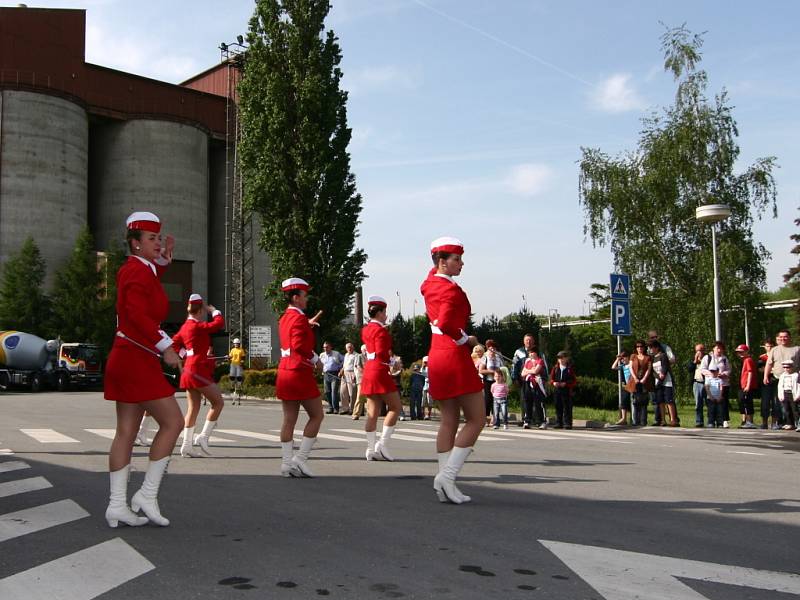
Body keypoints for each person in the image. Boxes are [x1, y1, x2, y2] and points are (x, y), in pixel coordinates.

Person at [103, 211, 183, 528]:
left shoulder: (139, 269)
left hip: (129, 355)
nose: (158, 243)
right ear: (135, 243)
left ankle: (116, 506)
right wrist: (166, 347)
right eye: (152, 239)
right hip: (136, 358)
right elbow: (137, 315)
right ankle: (146, 496)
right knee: (173, 422)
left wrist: (163, 261)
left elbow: (145, 290)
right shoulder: (136, 272)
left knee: (126, 432)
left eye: (159, 238)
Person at [420, 236, 484, 504]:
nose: (462, 263)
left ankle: (444, 484)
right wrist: (464, 340)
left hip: (437, 355)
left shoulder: (430, 284)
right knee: (477, 419)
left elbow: (438, 319)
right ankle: (447, 477)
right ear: (442, 262)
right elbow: (446, 321)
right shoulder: (449, 290)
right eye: (456, 259)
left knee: (448, 420)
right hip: (454, 355)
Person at [276, 278, 324, 477]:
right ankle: (300, 459)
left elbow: (294, 338)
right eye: (304, 296)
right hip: (298, 372)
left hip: (285, 371)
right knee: (317, 415)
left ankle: (287, 464)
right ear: (296, 298)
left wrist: (307, 325)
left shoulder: (286, 317)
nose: (307, 299)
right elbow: (299, 346)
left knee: (289, 420)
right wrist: (316, 359)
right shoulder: (299, 318)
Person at [172, 294, 225, 457]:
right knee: (218, 403)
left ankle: (187, 445)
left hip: (189, 369)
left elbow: (173, 343)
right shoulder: (196, 325)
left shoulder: (185, 326)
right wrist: (215, 311)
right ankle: (203, 437)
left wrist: (186, 354)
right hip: (197, 370)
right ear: (201, 310)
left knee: (193, 408)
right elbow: (218, 325)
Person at [361, 295, 403, 461]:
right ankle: (382, 445)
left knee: (372, 412)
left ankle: (371, 449)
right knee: (395, 407)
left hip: (369, 370)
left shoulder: (365, 329)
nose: (386, 315)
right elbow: (381, 353)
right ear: (379, 313)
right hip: (380, 370)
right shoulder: (381, 331)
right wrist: (394, 362)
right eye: (385, 312)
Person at [764, 330, 800, 428]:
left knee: (794, 403)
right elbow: (769, 363)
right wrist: (765, 376)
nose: (783, 339)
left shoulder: (797, 349)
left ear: (790, 337)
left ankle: (796, 423)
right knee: (781, 402)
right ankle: (785, 422)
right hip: (778, 379)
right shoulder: (774, 349)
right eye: (781, 337)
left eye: (785, 337)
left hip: (794, 380)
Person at [701, 341, 732, 428]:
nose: (719, 350)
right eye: (717, 348)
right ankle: (711, 421)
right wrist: (712, 374)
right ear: (713, 348)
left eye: (721, 348)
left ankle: (723, 421)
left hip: (723, 384)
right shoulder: (707, 357)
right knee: (711, 404)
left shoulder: (724, 359)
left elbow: (729, 370)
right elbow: (702, 369)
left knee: (723, 403)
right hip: (711, 384)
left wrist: (723, 374)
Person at [648, 339, 677, 426]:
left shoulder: (663, 356)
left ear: (656, 348)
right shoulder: (653, 358)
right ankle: (663, 420)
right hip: (658, 382)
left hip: (666, 382)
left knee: (669, 401)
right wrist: (657, 378)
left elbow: (665, 368)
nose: (650, 349)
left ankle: (673, 420)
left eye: (651, 347)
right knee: (660, 401)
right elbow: (652, 371)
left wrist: (661, 378)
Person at [626, 340, 653, 426]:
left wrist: (644, 378)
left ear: (644, 348)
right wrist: (635, 378)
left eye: (641, 346)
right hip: (634, 382)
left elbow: (649, 369)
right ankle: (634, 421)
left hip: (644, 382)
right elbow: (630, 367)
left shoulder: (648, 357)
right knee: (634, 402)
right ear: (636, 348)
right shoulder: (633, 356)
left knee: (644, 403)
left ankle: (643, 421)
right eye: (638, 347)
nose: (639, 348)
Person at [478, 340, 503, 427]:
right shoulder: (485, 357)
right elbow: (481, 370)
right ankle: (485, 419)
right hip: (488, 381)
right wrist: (492, 371)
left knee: (496, 400)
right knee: (488, 399)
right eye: (490, 347)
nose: (492, 349)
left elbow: (503, 368)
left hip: (498, 381)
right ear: (488, 348)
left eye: (494, 347)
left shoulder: (499, 357)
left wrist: (500, 373)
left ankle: (494, 419)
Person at [520, 348, 547, 429]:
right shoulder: (527, 361)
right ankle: (527, 421)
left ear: (536, 353)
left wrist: (528, 371)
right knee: (528, 402)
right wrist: (530, 370)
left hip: (537, 384)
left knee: (538, 403)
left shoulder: (540, 361)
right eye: (529, 352)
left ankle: (542, 421)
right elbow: (522, 373)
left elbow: (536, 371)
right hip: (528, 383)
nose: (530, 354)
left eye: (532, 352)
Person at [549, 351, 577, 429]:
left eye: (562, 358)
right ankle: (559, 422)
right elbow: (551, 378)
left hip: (566, 390)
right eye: (559, 358)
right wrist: (553, 383)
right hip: (557, 390)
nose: (560, 359)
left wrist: (566, 383)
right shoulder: (555, 368)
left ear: (566, 359)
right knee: (558, 406)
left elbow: (574, 380)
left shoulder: (569, 369)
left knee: (567, 407)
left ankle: (567, 423)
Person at [735, 344, 758, 429]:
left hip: (747, 386)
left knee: (747, 403)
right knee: (743, 402)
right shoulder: (744, 360)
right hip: (743, 385)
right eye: (738, 352)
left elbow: (750, 372)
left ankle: (750, 421)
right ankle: (746, 421)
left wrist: (748, 385)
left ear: (746, 351)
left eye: (741, 352)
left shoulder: (748, 360)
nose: (739, 354)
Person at [758, 339, 778, 429]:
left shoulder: (778, 356)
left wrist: (772, 370)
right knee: (765, 402)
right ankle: (764, 422)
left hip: (776, 381)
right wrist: (771, 370)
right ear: (765, 347)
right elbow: (760, 369)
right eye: (767, 346)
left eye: (771, 346)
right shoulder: (762, 357)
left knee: (775, 402)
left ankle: (774, 423)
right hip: (766, 382)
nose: (769, 348)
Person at [320, 341, 344, 414]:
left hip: (334, 374)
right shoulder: (322, 355)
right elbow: (318, 363)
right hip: (326, 374)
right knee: (327, 392)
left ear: (330, 347)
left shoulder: (336, 354)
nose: (325, 348)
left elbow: (344, 360)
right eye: (324, 347)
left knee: (334, 392)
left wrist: (341, 370)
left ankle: (336, 408)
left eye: (327, 347)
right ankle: (330, 407)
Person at [611, 350, 632, 425]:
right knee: (623, 401)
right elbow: (613, 367)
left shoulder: (631, 364)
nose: (623, 360)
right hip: (626, 386)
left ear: (628, 357)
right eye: (621, 359)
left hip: (633, 385)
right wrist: (617, 359)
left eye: (624, 358)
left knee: (633, 403)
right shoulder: (623, 366)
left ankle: (633, 419)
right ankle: (624, 418)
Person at [777, 360, 799, 430]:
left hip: (793, 394)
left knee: (795, 410)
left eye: (788, 367)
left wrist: (798, 395)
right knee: (787, 410)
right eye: (785, 368)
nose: (786, 369)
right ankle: (790, 423)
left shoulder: (796, 375)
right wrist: (780, 395)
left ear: (792, 367)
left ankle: (797, 423)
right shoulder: (782, 376)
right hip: (785, 393)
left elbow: (798, 386)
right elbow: (780, 386)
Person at [690, 343, 707, 427]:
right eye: (697, 351)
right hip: (697, 383)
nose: (698, 352)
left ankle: (711, 421)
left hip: (707, 384)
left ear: (704, 351)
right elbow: (689, 368)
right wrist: (695, 361)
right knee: (698, 404)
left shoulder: (708, 359)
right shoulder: (694, 360)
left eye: (700, 350)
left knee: (709, 403)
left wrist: (702, 360)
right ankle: (699, 422)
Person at [339, 342, 358, 415]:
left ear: (353, 347)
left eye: (350, 347)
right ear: (346, 349)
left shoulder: (356, 355)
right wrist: (341, 371)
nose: (349, 348)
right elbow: (344, 365)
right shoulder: (346, 355)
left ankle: (352, 409)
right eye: (348, 347)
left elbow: (356, 366)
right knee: (342, 391)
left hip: (352, 373)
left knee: (352, 393)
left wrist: (355, 375)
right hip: (345, 373)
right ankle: (345, 408)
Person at [351, 344, 367, 420]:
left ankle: (371, 413)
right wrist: (365, 372)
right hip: (361, 379)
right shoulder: (359, 356)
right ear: (362, 350)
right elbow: (358, 366)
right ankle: (356, 413)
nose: (367, 351)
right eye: (365, 349)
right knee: (360, 396)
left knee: (370, 397)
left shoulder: (371, 356)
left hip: (370, 379)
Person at [420, 355, 433, 420]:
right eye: (424, 362)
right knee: (422, 401)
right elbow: (420, 376)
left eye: (426, 362)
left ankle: (428, 415)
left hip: (430, 386)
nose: (425, 363)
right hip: (423, 386)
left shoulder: (431, 368)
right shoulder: (422, 368)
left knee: (429, 401)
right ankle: (422, 414)